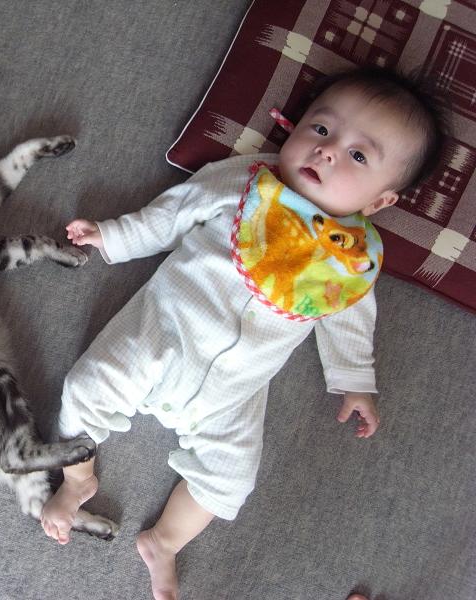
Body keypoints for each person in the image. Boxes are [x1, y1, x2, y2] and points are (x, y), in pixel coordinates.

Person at [40, 67, 445, 600]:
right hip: (164, 334)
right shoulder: (249, 181)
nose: (327, 152)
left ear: (378, 202)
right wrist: (114, 234)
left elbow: (349, 320)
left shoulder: (353, 260)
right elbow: (176, 212)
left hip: (235, 391)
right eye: (321, 129)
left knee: (232, 479)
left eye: (357, 155)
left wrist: (355, 381)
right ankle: (78, 480)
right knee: (87, 387)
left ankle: (164, 540)